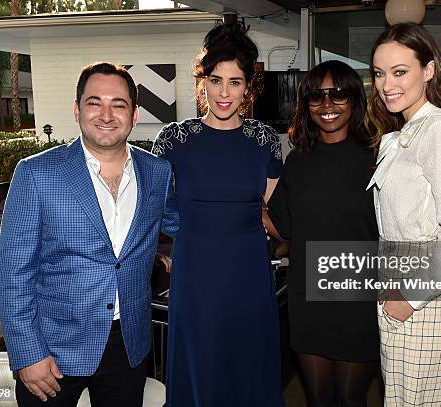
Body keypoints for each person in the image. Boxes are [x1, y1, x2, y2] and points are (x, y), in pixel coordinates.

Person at [0, 62, 178, 407]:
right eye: (95, 102)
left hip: (129, 346)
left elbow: (182, 224)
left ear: (134, 115)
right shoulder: (36, 174)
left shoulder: (157, 171)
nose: (106, 114)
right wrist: (27, 354)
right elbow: (12, 273)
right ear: (77, 110)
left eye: (119, 104)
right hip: (52, 351)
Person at [151, 23, 284, 407]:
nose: (224, 93)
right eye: (215, 80)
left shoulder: (263, 140)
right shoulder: (174, 139)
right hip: (195, 275)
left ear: (248, 87)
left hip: (249, 273)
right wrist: (186, 238)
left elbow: (271, 211)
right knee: (201, 364)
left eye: (235, 82)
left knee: (247, 361)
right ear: (203, 81)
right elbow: (157, 206)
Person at [365, 23, 441, 406]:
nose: (386, 84)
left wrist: (409, 298)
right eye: (380, 73)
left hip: (425, 299)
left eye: (400, 71)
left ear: (428, 71)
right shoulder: (402, 132)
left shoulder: (440, 132)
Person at [265, 60, 380, 407]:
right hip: (308, 301)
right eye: (316, 97)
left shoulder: (378, 158)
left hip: (356, 301)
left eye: (338, 94)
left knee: (349, 399)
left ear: (355, 99)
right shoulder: (298, 162)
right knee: (317, 399)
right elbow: (282, 226)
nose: (327, 105)